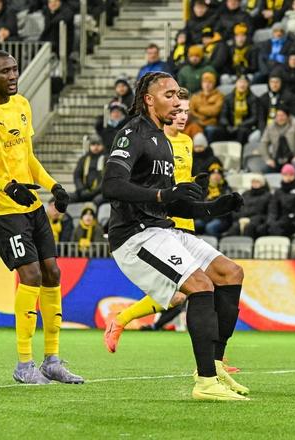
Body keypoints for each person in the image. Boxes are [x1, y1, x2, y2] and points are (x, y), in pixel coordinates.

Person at [101, 71, 248, 400]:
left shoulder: (164, 142)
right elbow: (111, 185)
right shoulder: (132, 134)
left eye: (177, 95)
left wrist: (213, 208)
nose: (176, 101)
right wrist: (161, 196)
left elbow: (171, 204)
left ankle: (215, 366)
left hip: (162, 227)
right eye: (168, 95)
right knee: (200, 285)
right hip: (135, 235)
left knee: (230, 273)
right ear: (148, 100)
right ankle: (205, 383)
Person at [0, 51, 82, 385]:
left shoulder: (22, 104)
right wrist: (7, 187)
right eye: (5, 71)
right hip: (3, 210)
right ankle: (24, 364)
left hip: (30, 204)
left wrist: (54, 186)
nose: (13, 75)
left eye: (15, 69)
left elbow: (28, 158)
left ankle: (52, 360)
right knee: (30, 275)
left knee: (53, 272)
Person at [259, 105, 295, 173]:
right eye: (277, 116)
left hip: (294, 158)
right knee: (265, 170)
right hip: (277, 159)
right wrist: (268, 159)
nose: (280, 118)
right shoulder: (271, 126)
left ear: (288, 116)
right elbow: (263, 143)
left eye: (282, 115)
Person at [215, 75, 259, 144]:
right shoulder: (228, 98)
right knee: (217, 131)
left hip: (245, 127)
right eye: (240, 82)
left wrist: (239, 126)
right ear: (236, 84)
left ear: (248, 84)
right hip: (230, 126)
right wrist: (227, 126)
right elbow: (223, 116)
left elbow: (254, 118)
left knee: (242, 131)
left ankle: (238, 149)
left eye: (244, 82)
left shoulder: (253, 99)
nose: (242, 85)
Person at [196, 168, 234, 237]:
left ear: (221, 176)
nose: (216, 176)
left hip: (221, 219)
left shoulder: (226, 189)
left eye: (218, 174)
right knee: (195, 224)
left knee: (210, 227)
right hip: (206, 218)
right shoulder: (205, 189)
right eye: (213, 174)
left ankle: (218, 241)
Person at [188, 72, 225, 141]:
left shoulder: (219, 96)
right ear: (202, 83)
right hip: (197, 122)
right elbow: (191, 110)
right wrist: (200, 116)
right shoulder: (196, 96)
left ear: (214, 84)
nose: (207, 85)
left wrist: (199, 108)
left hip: (211, 123)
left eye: (210, 82)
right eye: (205, 82)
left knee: (209, 130)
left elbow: (214, 111)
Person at [71, 134, 107, 205]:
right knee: (67, 198)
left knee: (97, 200)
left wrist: (94, 192)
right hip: (84, 192)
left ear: (102, 146)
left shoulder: (107, 159)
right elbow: (77, 176)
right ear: (89, 146)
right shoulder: (83, 159)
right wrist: (81, 189)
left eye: (98, 144)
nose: (96, 147)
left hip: (100, 193)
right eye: (93, 144)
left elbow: (106, 179)